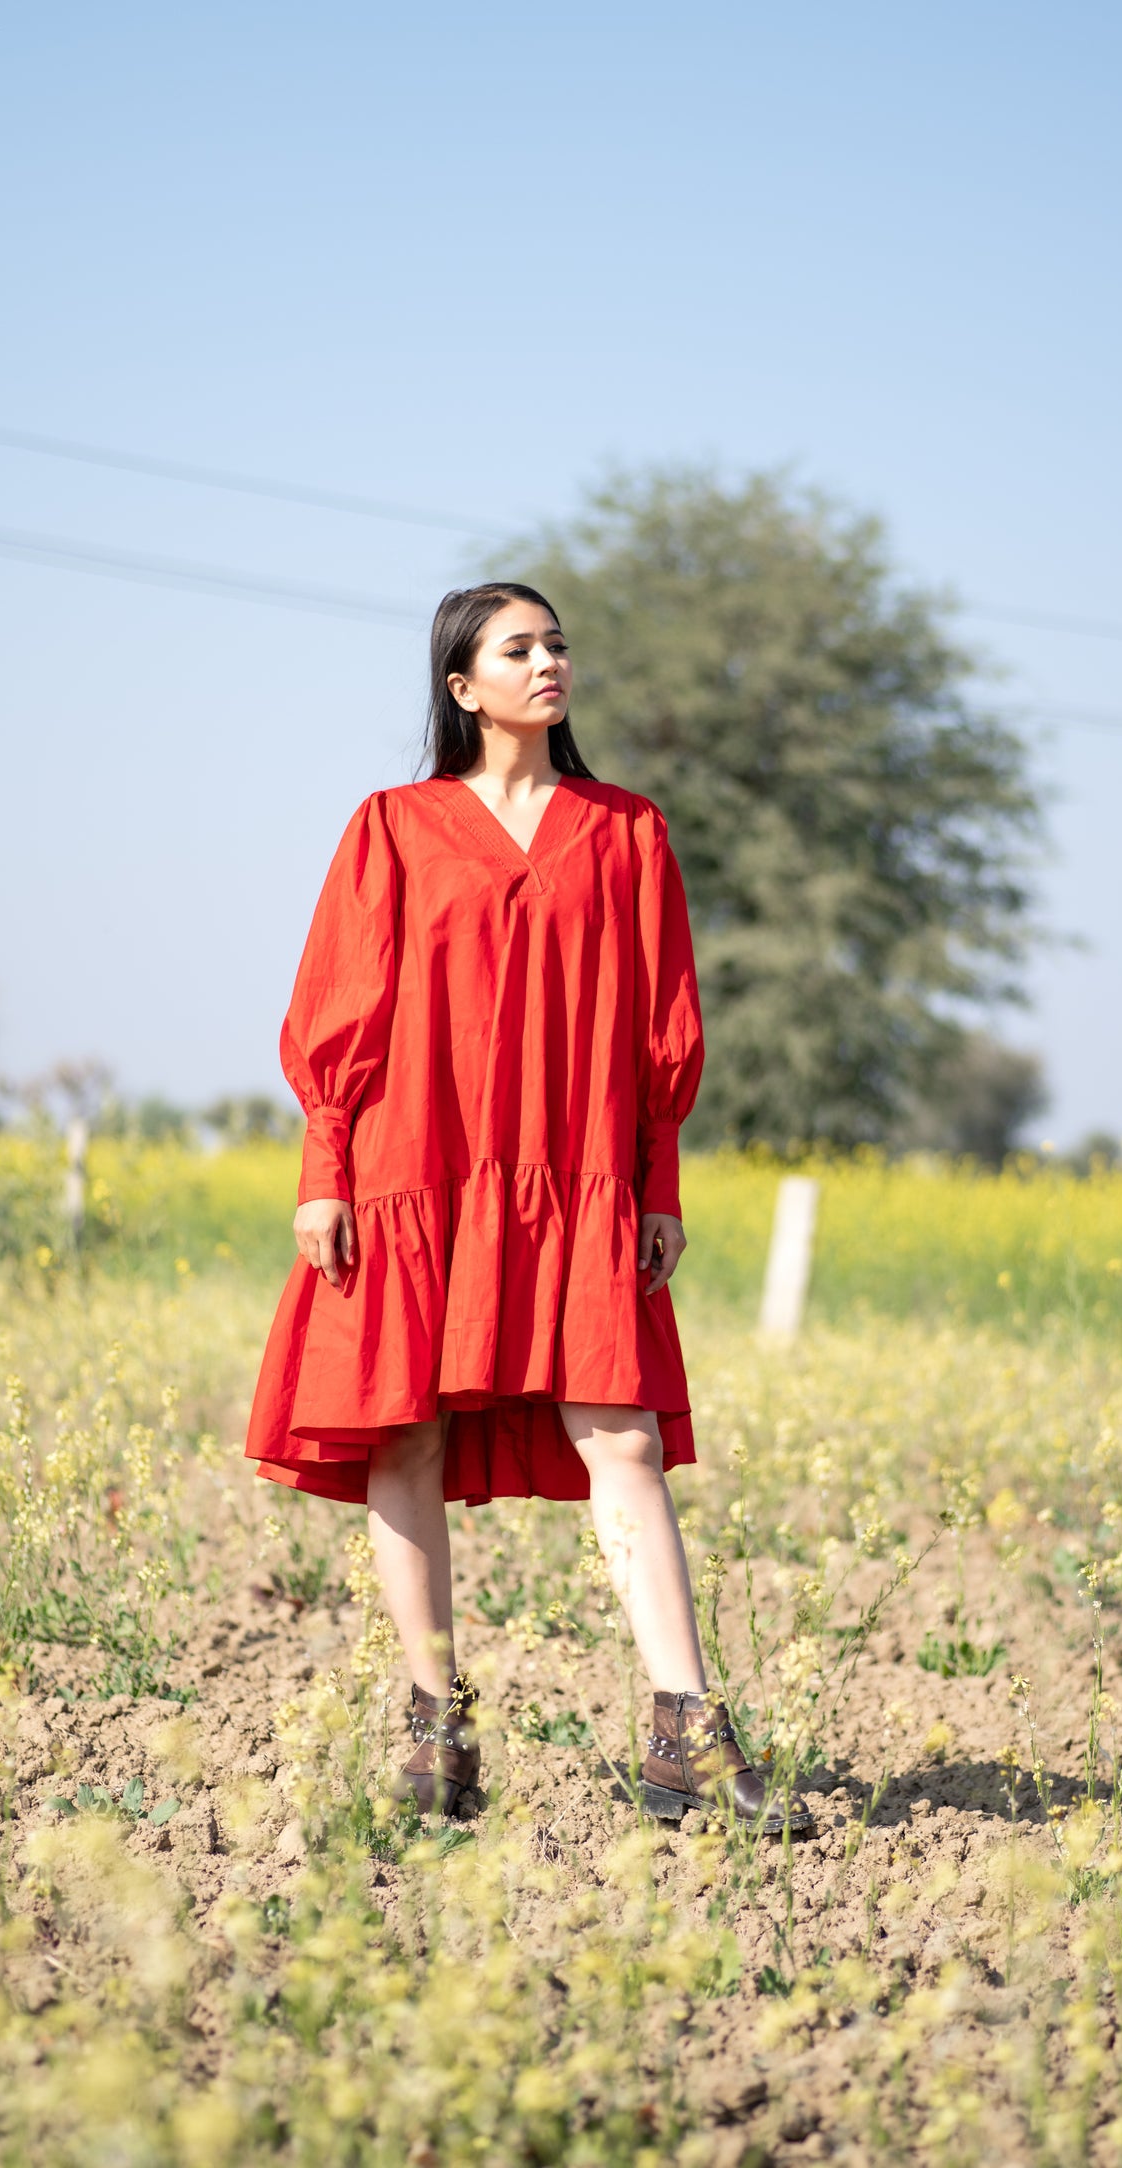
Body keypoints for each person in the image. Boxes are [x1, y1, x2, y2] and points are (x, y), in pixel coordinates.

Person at [246, 582, 807, 1835]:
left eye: (557, 643)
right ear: (463, 687)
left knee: (626, 1438)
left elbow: (664, 1023)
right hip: (415, 1167)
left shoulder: (627, 831)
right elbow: (338, 1003)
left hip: (575, 1178)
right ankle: (434, 1729)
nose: (550, 661)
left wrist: (656, 1179)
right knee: (405, 1434)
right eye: (520, 647)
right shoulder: (392, 826)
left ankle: (686, 1731)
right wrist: (324, 1166)